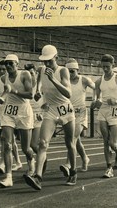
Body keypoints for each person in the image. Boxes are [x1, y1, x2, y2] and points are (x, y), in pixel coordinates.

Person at [24, 45, 77, 190]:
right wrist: (38, 92)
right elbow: (39, 85)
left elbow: (68, 93)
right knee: (42, 143)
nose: (46, 64)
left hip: (65, 110)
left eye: (49, 61)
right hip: (51, 111)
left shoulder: (63, 71)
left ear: (56, 58)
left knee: (69, 143)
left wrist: (53, 79)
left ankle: (73, 171)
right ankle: (38, 177)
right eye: (44, 61)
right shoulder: (41, 70)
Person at [0, 54, 35, 187]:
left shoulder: (25, 75)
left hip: (23, 112)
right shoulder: (4, 77)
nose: (8, 66)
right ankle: (8, 177)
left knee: (25, 148)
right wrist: (1, 97)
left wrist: (14, 91)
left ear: (17, 64)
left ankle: (32, 161)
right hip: (9, 112)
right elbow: (6, 91)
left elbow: (30, 95)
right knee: (7, 144)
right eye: (6, 64)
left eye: (11, 63)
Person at [91, 54, 117, 178]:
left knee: (113, 143)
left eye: (107, 67)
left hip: (115, 110)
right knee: (105, 141)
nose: (105, 69)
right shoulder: (99, 81)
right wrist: (96, 101)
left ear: (112, 65)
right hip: (103, 110)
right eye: (103, 67)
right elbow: (96, 98)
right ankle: (109, 168)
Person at [59, 58, 95, 176]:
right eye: (68, 71)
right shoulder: (64, 81)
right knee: (76, 140)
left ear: (77, 70)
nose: (70, 74)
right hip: (69, 112)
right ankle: (85, 158)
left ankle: (68, 164)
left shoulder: (83, 80)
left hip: (81, 113)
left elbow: (97, 88)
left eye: (72, 71)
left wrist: (96, 99)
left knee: (73, 138)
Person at [24, 63, 45, 171]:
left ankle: (42, 157)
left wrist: (43, 113)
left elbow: (48, 102)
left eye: (32, 73)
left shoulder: (41, 86)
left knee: (33, 144)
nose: (30, 76)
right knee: (26, 146)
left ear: (36, 73)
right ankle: (31, 167)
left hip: (38, 118)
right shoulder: (25, 85)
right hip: (27, 116)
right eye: (28, 74)